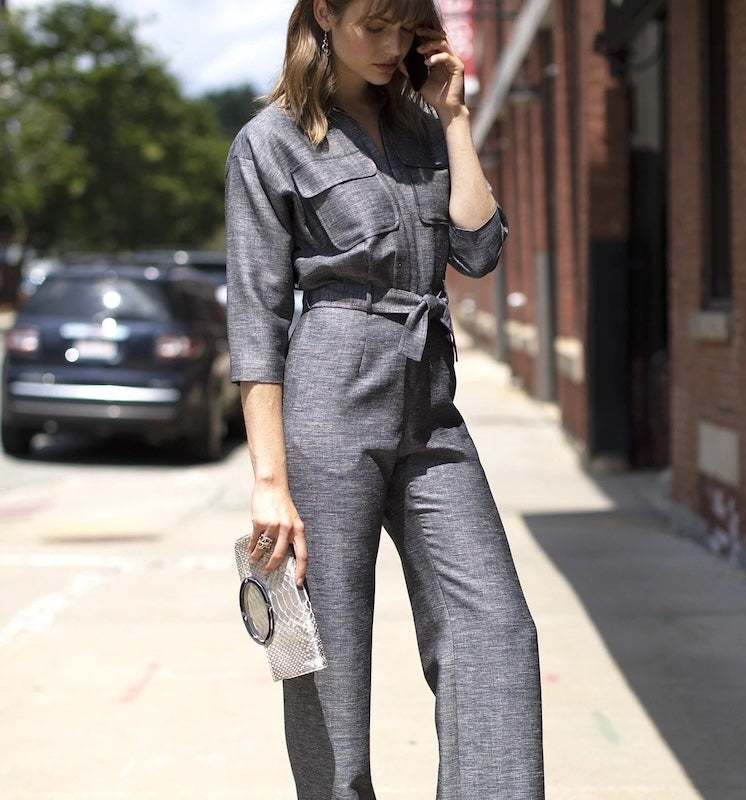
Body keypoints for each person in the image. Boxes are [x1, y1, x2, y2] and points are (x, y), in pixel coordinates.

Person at [225, 1, 545, 797]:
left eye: (406, 28)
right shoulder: (270, 141)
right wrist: (270, 481)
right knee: (329, 657)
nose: (393, 45)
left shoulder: (421, 127)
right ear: (324, 15)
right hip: (331, 396)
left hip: (430, 402)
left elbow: (478, 247)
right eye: (375, 25)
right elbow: (256, 321)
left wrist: (456, 117)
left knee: (495, 629)